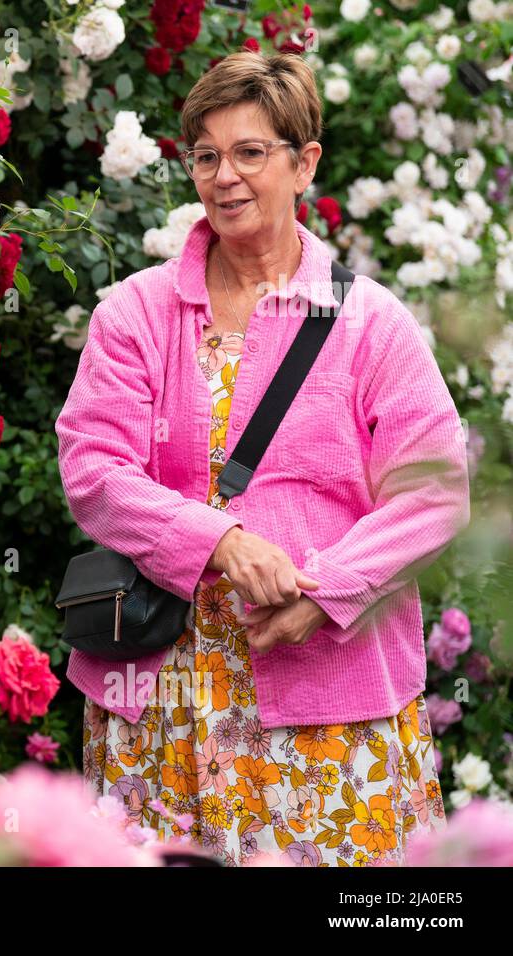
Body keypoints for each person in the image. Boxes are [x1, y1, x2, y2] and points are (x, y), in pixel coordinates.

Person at [55, 51, 471, 866]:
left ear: (303, 162)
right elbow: (94, 471)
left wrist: (331, 595)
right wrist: (222, 541)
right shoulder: (137, 312)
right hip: (162, 700)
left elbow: (438, 491)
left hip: (331, 699)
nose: (225, 177)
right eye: (205, 156)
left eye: (250, 152)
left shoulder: (367, 323)